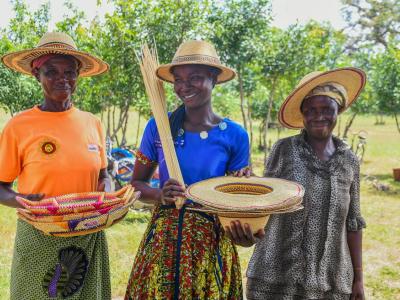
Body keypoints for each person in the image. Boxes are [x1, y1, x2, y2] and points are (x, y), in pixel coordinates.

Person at [125, 40, 250, 299]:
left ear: (214, 79)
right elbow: (135, 185)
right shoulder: (159, 127)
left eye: (195, 78)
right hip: (163, 245)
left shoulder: (235, 136)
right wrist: (159, 195)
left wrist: (245, 228)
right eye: (178, 80)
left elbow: (240, 199)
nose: (184, 87)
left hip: (211, 246)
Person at [227, 68, 367, 300]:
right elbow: (266, 201)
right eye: (310, 110)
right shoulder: (284, 150)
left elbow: (353, 223)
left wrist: (359, 278)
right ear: (302, 114)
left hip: (331, 282)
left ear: (338, 110)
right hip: (275, 277)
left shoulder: (349, 160)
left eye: (326, 109)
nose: (318, 116)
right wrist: (248, 187)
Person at [0, 32, 111, 299]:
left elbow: (103, 174)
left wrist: (107, 191)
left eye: (70, 72)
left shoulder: (91, 122)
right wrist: (22, 200)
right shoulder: (19, 125)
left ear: (78, 76)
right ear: (37, 75)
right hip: (39, 233)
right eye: (52, 71)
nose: (63, 78)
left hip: (88, 232)